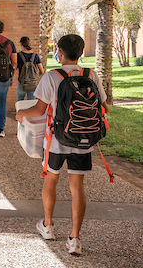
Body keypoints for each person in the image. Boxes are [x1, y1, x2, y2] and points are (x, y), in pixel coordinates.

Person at [16, 34, 107, 256]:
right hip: (83, 140)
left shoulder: (52, 76)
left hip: (57, 140)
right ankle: (74, 239)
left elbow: (38, 110)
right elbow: (103, 107)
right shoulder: (91, 74)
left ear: (59, 51)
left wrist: (20, 113)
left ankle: (47, 226)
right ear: (81, 52)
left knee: (51, 178)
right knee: (77, 187)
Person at [17, 36, 45, 101]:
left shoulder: (18, 55)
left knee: (19, 103)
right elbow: (42, 71)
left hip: (22, 83)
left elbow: (15, 67)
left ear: (21, 44)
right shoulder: (35, 56)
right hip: (33, 83)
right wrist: (36, 76)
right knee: (31, 104)